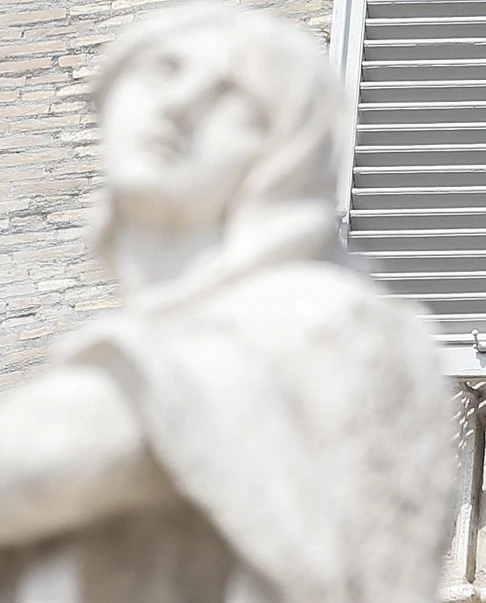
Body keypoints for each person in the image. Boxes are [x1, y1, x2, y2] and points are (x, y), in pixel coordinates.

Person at [0, 6, 454, 602]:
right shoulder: (177, 327)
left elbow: (45, 460)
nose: (179, 103)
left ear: (287, 157)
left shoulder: (321, 317)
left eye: (237, 100)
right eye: (162, 69)